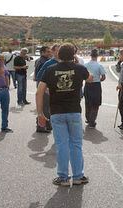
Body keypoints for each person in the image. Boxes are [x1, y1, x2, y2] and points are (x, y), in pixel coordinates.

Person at [36, 43, 92, 186]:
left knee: (62, 145)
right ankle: (78, 176)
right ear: (73, 55)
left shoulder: (50, 70)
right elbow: (90, 78)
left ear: (58, 55)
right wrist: (77, 65)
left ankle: (63, 177)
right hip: (74, 111)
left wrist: (40, 113)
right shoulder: (79, 68)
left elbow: (39, 91)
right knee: (76, 144)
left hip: (57, 112)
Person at [35, 44, 60, 133]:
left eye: (59, 50)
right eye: (56, 50)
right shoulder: (49, 63)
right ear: (53, 52)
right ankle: (41, 126)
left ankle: (48, 125)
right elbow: (39, 76)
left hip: (55, 91)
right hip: (46, 90)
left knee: (49, 108)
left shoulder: (60, 62)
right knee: (44, 108)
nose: (58, 52)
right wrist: (44, 89)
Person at [84, 49, 106, 128]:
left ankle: (88, 118)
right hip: (96, 85)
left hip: (87, 84)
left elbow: (83, 76)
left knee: (88, 102)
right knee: (95, 104)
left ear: (91, 55)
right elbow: (103, 77)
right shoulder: (99, 65)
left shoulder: (85, 65)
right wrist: (98, 79)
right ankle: (92, 121)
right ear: (97, 56)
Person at [0, 56, 13, 135]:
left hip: (4, 90)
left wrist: (7, 87)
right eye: (1, 58)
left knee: (5, 109)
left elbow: (7, 76)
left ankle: (4, 126)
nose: (2, 59)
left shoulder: (3, 66)